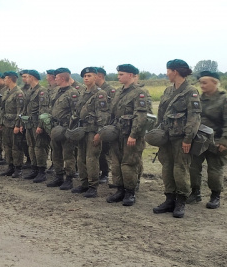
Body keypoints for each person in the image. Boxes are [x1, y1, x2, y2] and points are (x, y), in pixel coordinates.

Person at [152, 59, 202, 218]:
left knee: (180, 168)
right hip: (166, 136)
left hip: (181, 138)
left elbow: (194, 117)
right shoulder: (168, 90)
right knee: (167, 167)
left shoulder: (190, 91)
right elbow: (161, 113)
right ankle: (169, 199)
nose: (167, 74)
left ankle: (181, 201)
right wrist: (158, 132)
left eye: (168, 71)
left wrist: (188, 138)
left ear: (175, 71)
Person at [187, 71, 227, 209]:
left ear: (215, 82)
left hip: (216, 140)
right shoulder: (197, 99)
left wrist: (225, 141)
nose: (202, 85)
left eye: (205, 82)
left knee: (214, 170)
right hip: (198, 140)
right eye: (200, 83)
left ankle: (215, 196)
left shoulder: (224, 100)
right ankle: (195, 193)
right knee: (193, 167)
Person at [106, 64, 149, 206]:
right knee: (116, 163)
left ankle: (130, 192)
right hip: (117, 133)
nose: (118, 77)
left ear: (130, 75)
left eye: (121, 74)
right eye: (118, 74)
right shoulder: (119, 92)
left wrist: (134, 135)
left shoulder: (139, 92)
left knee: (129, 163)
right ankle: (120, 190)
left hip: (130, 134)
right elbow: (112, 113)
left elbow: (141, 116)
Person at [70, 67, 110, 198]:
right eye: (84, 76)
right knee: (80, 158)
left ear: (96, 77)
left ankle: (93, 186)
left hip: (93, 131)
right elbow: (77, 112)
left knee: (91, 159)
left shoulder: (100, 94)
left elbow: (103, 115)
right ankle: (84, 183)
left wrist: (100, 133)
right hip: (82, 130)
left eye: (89, 75)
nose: (86, 78)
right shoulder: (82, 92)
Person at [46, 68, 79, 189]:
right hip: (55, 128)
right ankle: (58, 176)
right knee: (56, 154)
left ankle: (69, 178)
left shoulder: (73, 93)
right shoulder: (56, 91)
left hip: (66, 129)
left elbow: (76, 113)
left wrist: (70, 130)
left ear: (63, 78)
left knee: (68, 155)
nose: (55, 79)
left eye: (57, 77)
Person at [20, 70, 50, 183]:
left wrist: (41, 125)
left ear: (31, 77)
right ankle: (34, 168)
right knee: (31, 147)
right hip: (29, 124)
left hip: (37, 124)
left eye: (27, 77)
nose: (25, 79)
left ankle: (42, 171)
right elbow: (25, 108)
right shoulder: (30, 91)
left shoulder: (41, 91)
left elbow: (44, 110)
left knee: (39, 147)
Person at [0, 71, 26, 178]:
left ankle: (18, 168)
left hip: (14, 123)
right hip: (6, 123)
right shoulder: (7, 92)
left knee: (16, 147)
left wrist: (18, 125)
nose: (4, 81)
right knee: (7, 146)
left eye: (5, 79)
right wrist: (0, 122)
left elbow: (21, 111)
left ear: (10, 79)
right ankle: (10, 166)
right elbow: (2, 109)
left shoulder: (19, 93)